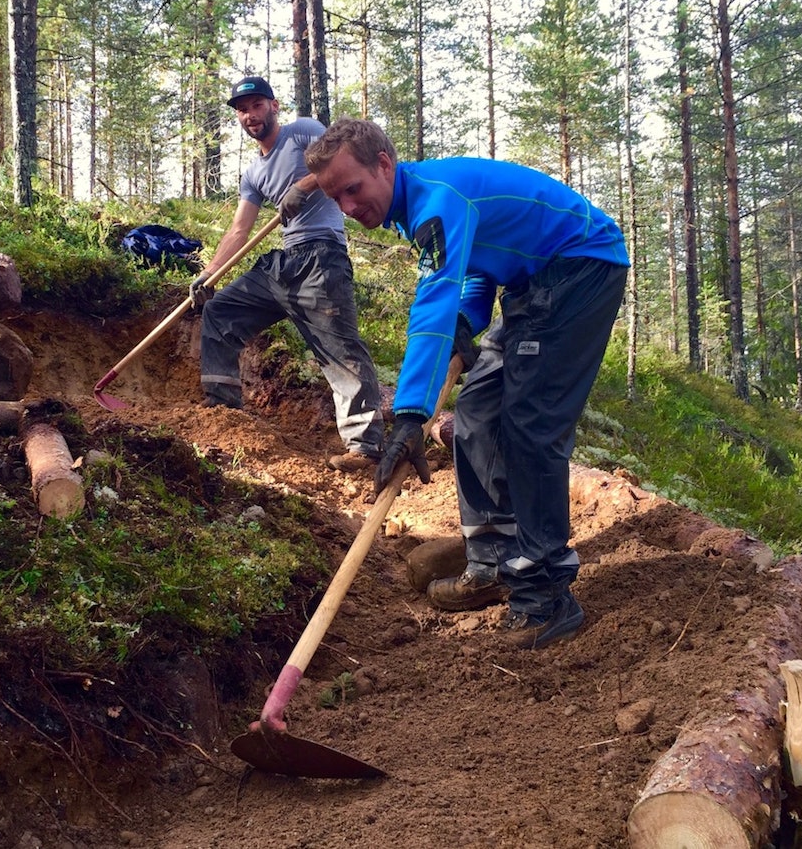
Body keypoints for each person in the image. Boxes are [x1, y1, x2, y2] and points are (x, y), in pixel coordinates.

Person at [305, 118, 629, 649]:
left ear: (384, 164)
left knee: (530, 424)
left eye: (353, 189)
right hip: (532, 283)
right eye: (335, 197)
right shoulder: (419, 205)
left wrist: (411, 415)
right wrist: (465, 321)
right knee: (478, 408)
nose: (347, 207)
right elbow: (478, 266)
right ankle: (495, 560)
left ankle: (545, 593)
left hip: (580, 271)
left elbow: (431, 305)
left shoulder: (437, 201)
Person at [188, 77, 385, 471]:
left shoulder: (302, 133)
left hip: (322, 258)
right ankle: (222, 408)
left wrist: (306, 183)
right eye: (243, 110)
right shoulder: (253, 173)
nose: (250, 115)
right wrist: (209, 273)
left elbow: (341, 159)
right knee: (220, 311)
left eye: (257, 105)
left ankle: (364, 447)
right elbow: (239, 230)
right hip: (286, 262)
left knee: (340, 350)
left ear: (273, 106)